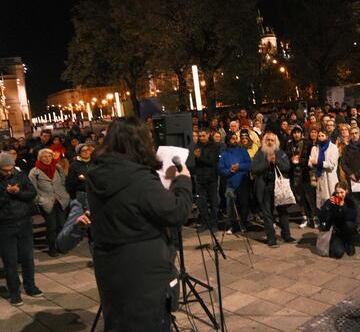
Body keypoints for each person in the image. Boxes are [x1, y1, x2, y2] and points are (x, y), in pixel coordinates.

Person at [86, 117, 192, 331]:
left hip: (111, 267)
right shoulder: (139, 178)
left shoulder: (97, 171)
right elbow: (175, 211)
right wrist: (183, 180)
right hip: (144, 274)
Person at [0, 152, 42, 306]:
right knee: (10, 261)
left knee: (27, 257)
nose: (9, 172)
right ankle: (15, 293)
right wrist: (7, 193)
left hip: (24, 221)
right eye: (5, 170)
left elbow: (32, 193)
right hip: (5, 225)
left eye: (10, 169)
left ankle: (30, 287)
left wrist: (18, 193)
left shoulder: (20, 174)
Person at [251, 131, 295, 247]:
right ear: (264, 141)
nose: (270, 142)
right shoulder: (260, 153)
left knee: (283, 212)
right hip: (265, 187)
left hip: (279, 187)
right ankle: (271, 238)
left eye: (272, 140)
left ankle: (286, 235)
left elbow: (287, 167)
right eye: (267, 140)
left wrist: (277, 161)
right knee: (267, 214)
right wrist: (267, 162)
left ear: (276, 142)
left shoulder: (280, 153)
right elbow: (254, 169)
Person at [29, 148, 70, 257]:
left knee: (62, 225)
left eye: (49, 156)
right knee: (52, 227)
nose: (47, 158)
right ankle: (52, 248)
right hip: (47, 203)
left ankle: (61, 246)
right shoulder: (34, 171)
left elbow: (63, 182)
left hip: (61, 201)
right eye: (44, 156)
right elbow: (32, 189)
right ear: (39, 158)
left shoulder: (57, 167)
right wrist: (40, 200)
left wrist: (64, 194)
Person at [218, 133, 252, 234]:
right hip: (230, 183)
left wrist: (239, 166)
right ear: (228, 140)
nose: (234, 140)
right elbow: (220, 169)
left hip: (243, 182)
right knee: (230, 207)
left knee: (243, 205)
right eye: (232, 138)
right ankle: (232, 225)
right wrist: (230, 171)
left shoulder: (243, 151)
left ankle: (243, 224)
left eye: (235, 138)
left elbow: (249, 164)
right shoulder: (224, 155)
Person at [317, 182, 357, 258]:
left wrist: (343, 207)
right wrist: (328, 208)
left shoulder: (350, 201)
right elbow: (323, 216)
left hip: (347, 230)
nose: (339, 195)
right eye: (337, 193)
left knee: (350, 224)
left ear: (346, 191)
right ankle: (340, 243)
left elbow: (352, 216)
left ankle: (349, 242)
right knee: (337, 253)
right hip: (336, 231)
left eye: (342, 192)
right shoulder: (332, 200)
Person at [193, 128, 220, 232]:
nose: (201, 138)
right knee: (201, 203)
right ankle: (205, 223)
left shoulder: (213, 146)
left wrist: (199, 157)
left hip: (211, 178)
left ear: (208, 135)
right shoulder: (196, 146)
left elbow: (212, 162)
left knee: (214, 202)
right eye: (200, 136)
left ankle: (214, 224)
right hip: (200, 179)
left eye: (203, 136)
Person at [309, 129, 339, 211]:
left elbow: (332, 164)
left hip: (330, 177)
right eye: (319, 136)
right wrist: (313, 163)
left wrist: (319, 163)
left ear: (327, 136)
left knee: (334, 200)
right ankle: (324, 220)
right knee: (322, 201)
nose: (320, 137)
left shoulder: (333, 147)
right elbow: (310, 161)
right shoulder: (315, 148)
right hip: (320, 177)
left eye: (322, 136)